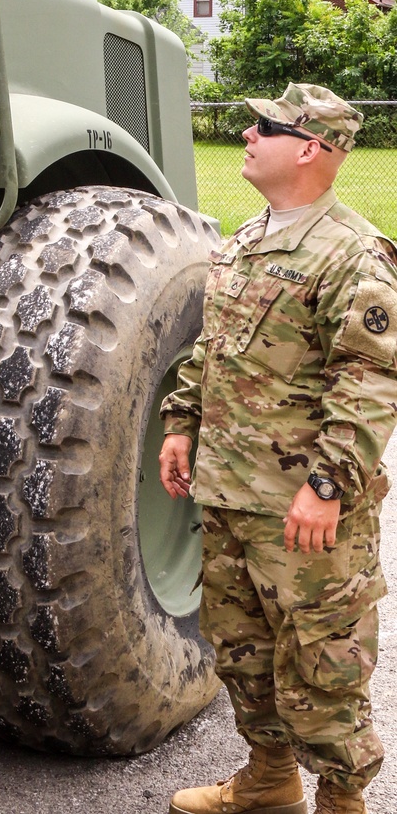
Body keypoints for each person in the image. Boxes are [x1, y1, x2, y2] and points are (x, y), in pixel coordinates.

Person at [159, 83, 397, 814]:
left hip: (302, 508)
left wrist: (328, 485)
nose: (249, 135)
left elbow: (371, 382)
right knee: (241, 650)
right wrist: (180, 422)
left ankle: (341, 803)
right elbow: (214, 348)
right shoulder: (247, 238)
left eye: (266, 126)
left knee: (325, 662)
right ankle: (268, 781)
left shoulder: (351, 254)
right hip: (232, 495)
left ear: (309, 148)